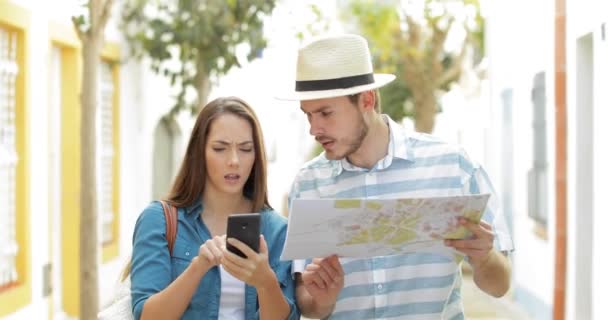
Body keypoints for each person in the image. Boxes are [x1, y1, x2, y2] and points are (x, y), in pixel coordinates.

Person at [279, 34, 514, 319]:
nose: (314, 129)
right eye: (308, 115)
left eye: (326, 113)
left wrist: (484, 257)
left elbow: (500, 285)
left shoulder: (453, 166)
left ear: (367, 99)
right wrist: (322, 302)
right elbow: (307, 301)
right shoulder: (308, 185)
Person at [130, 97, 299, 319]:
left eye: (246, 149)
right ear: (199, 152)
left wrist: (265, 282)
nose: (234, 161)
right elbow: (147, 316)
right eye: (220, 148)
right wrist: (197, 268)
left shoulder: (278, 230)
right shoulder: (159, 220)